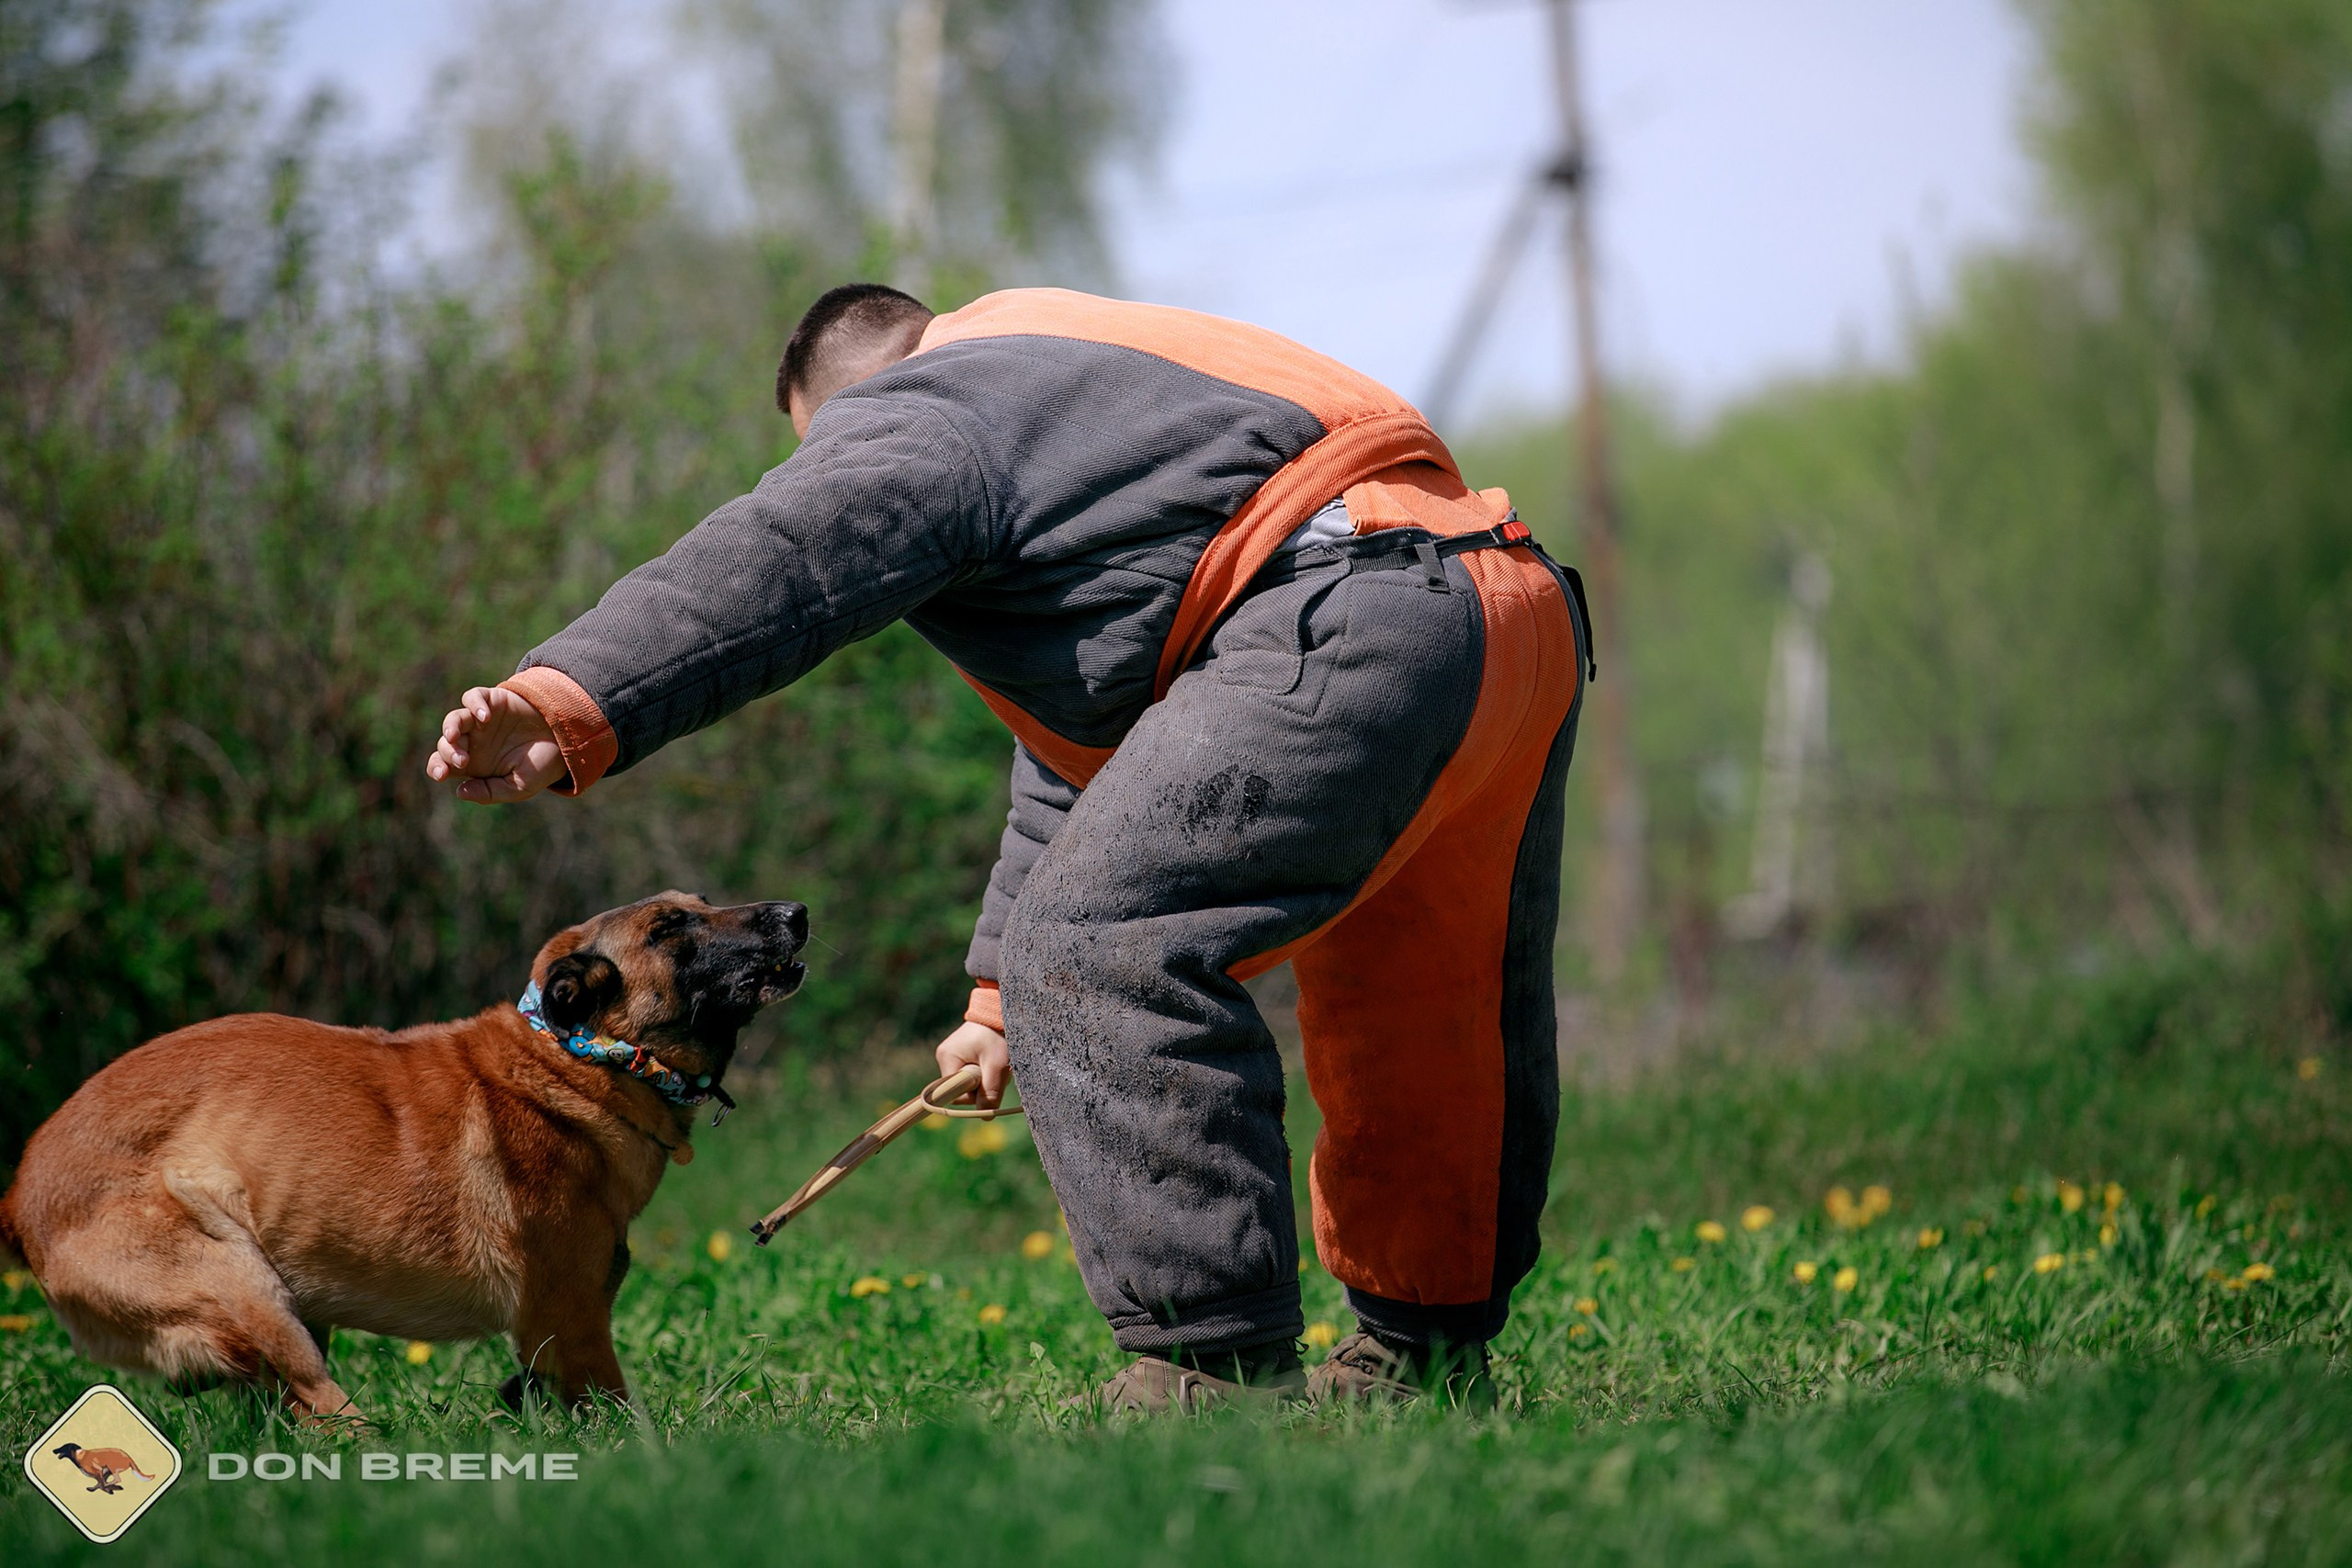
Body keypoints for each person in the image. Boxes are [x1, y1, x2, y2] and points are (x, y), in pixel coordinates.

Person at [426, 283, 1589, 1411]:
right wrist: (996, 1007)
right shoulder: (1082, 375)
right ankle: (1421, 1354)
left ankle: (1211, 1371)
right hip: (1493, 603)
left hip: (1335, 612)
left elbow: (780, 554)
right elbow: (1098, 756)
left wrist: (570, 694)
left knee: (1100, 943)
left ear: (848, 409)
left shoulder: (931, 404)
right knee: (1428, 991)